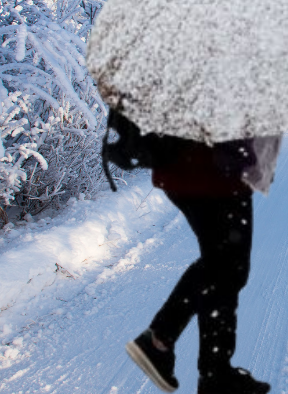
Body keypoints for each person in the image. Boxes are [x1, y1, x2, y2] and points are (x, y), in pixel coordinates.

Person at [105, 110, 272, 394]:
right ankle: (193, 360)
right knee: (227, 266)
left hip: (192, 163)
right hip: (209, 166)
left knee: (223, 265)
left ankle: (196, 361)